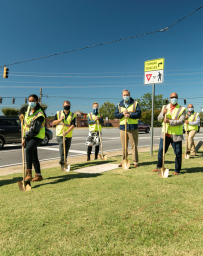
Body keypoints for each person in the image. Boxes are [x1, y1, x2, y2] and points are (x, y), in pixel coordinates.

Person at [152, 92, 186, 175]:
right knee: (161, 151)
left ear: (177, 98)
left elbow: (181, 121)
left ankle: (177, 170)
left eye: (175, 97)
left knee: (178, 153)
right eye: (172, 97)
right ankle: (159, 166)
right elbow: (159, 119)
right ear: (169, 98)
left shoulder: (182, 109)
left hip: (176, 134)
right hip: (165, 133)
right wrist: (162, 113)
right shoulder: (164, 107)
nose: (173, 98)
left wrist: (169, 121)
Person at [19, 94, 46, 181]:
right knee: (34, 156)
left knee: (28, 149)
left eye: (33, 101)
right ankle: (38, 175)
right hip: (29, 135)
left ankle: (29, 174)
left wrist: (25, 139)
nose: (31, 103)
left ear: (37, 101)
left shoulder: (40, 114)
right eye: (29, 101)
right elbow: (21, 110)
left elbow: (35, 130)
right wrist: (20, 115)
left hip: (37, 136)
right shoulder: (27, 109)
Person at [114, 89, 141, 167]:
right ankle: (123, 160)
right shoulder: (119, 105)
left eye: (127, 95)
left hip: (133, 127)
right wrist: (122, 114)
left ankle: (135, 162)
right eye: (124, 95)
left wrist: (130, 115)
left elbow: (139, 114)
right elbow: (116, 115)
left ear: (130, 95)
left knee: (134, 146)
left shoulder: (135, 103)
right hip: (123, 128)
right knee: (124, 146)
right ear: (122, 96)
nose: (126, 96)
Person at [52, 101, 76, 166]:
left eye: (68, 105)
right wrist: (60, 120)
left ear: (70, 106)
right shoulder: (58, 113)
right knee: (62, 144)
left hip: (68, 134)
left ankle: (64, 161)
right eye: (66, 105)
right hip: (60, 134)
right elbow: (53, 122)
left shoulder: (73, 115)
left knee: (66, 148)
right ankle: (62, 160)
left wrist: (67, 131)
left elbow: (73, 125)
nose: (67, 106)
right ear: (63, 106)